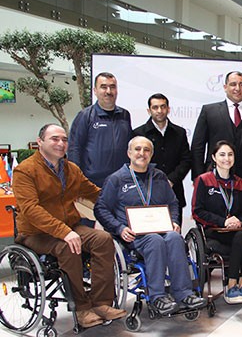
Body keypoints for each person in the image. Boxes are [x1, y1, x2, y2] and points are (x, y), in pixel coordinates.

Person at [12, 124, 127, 328]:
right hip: (35, 233)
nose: (61, 143)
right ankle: (81, 308)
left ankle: (101, 303)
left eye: (64, 140)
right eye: (55, 139)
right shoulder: (25, 170)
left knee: (103, 239)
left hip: (70, 226)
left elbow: (95, 193)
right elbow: (30, 209)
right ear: (40, 142)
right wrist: (64, 232)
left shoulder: (71, 169)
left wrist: (126, 204)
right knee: (68, 246)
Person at [94, 136, 206, 315]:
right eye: (137, 149)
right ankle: (157, 296)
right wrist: (119, 228)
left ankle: (184, 293)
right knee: (154, 240)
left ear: (151, 154)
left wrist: (174, 221)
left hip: (161, 230)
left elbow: (173, 203)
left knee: (175, 238)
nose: (142, 153)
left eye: (146, 150)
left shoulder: (159, 177)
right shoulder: (116, 179)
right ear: (129, 153)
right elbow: (100, 208)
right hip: (133, 237)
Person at [192, 140, 242, 304]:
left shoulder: (239, 182)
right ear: (214, 157)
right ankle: (231, 285)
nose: (226, 158)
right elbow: (197, 211)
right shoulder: (204, 180)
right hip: (213, 232)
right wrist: (223, 221)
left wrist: (239, 220)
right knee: (241, 236)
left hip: (235, 230)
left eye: (230, 155)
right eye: (222, 154)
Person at [190, 71, 242, 198]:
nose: (237, 88)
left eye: (241, 84)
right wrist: (198, 177)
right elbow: (197, 146)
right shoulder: (209, 111)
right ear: (225, 87)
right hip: (214, 179)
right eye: (233, 84)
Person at [132, 93, 192, 222]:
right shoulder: (139, 133)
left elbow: (186, 160)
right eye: (155, 107)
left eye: (163, 107)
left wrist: (171, 180)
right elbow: (136, 162)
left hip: (174, 191)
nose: (159, 111)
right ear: (149, 110)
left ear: (168, 109)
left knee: (174, 231)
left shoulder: (179, 133)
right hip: (147, 191)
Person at [68, 72, 132, 187]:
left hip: (121, 181)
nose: (108, 91)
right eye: (103, 87)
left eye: (112, 87)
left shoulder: (125, 115)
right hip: (93, 183)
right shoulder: (85, 116)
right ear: (95, 90)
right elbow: (74, 149)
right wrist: (76, 180)